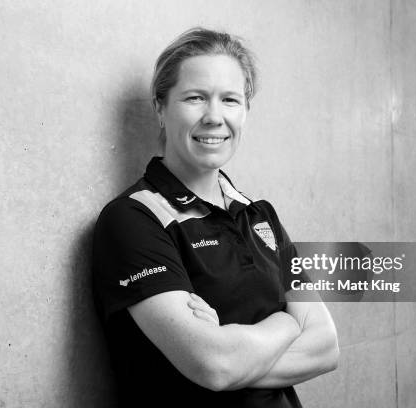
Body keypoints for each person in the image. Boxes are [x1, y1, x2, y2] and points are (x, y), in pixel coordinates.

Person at [92, 27, 339, 408]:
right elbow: (215, 366)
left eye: (230, 100)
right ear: (160, 107)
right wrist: (288, 324)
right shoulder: (133, 219)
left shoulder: (261, 216)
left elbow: (326, 346)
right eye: (195, 98)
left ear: (246, 111)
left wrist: (235, 351)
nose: (214, 117)